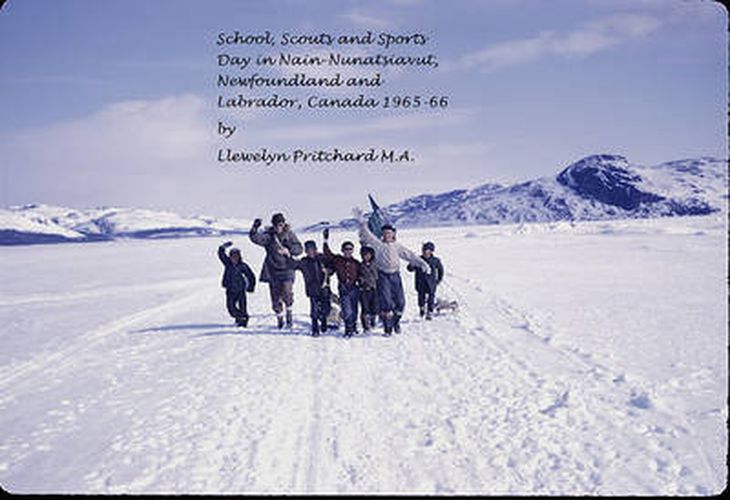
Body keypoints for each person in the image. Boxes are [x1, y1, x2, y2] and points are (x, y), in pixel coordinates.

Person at [353, 207, 431, 336]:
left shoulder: (397, 246)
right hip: (383, 276)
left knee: (400, 303)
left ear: (393, 234)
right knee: (386, 303)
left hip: (395, 276)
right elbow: (366, 235)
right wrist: (361, 222)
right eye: (385, 233)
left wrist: (422, 263)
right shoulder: (377, 244)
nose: (387, 235)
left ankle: (396, 322)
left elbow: (410, 256)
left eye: (389, 233)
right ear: (382, 234)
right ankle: (387, 328)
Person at [249, 212, 303, 329]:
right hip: (272, 271)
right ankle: (279, 317)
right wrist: (254, 228)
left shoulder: (289, 234)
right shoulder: (269, 236)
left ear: (284, 224)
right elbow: (256, 239)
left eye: (281, 224)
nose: (280, 226)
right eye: (277, 224)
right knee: (275, 298)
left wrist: (289, 249)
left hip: (287, 269)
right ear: (273, 225)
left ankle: (289, 312)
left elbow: (299, 249)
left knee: (287, 293)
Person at [323, 228, 361, 338]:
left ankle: (353, 327)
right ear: (342, 250)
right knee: (346, 309)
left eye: (350, 249)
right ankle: (348, 328)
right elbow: (327, 254)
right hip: (343, 288)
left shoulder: (356, 263)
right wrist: (325, 241)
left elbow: (361, 274)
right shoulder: (338, 260)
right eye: (346, 249)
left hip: (354, 288)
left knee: (354, 309)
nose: (348, 251)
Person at [290, 240, 331, 336]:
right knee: (314, 310)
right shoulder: (304, 262)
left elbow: (331, 267)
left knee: (326, 308)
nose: (310, 252)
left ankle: (324, 320)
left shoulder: (322, 258)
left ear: (316, 249)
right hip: (312, 289)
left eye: (312, 249)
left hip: (324, 288)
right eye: (308, 250)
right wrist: (288, 254)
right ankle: (315, 328)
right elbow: (292, 264)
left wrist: (328, 270)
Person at [217, 241, 256, 327]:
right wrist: (222, 247)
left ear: (239, 257)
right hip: (230, 289)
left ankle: (244, 320)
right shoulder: (228, 264)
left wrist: (251, 287)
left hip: (241, 290)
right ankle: (240, 317)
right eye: (232, 256)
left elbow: (251, 276)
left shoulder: (243, 266)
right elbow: (221, 255)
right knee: (231, 308)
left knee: (243, 307)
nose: (233, 259)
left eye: (236, 257)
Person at [407, 241, 444, 320]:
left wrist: (438, 280)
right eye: (423, 250)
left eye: (427, 250)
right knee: (421, 296)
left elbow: (440, 270)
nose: (424, 252)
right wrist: (412, 265)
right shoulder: (418, 259)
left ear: (431, 251)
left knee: (431, 296)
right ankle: (422, 308)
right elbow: (410, 269)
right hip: (420, 282)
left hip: (431, 283)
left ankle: (430, 311)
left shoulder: (435, 260)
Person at [359, 245, 379, 332]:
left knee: (374, 306)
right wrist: (361, 280)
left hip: (374, 288)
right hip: (364, 289)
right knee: (365, 307)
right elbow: (359, 275)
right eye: (364, 255)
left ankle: (373, 320)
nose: (366, 257)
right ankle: (365, 325)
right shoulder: (360, 265)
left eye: (368, 255)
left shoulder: (375, 264)